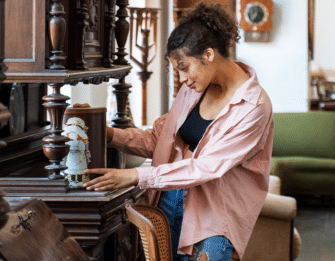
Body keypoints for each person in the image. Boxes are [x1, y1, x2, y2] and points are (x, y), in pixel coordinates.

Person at [83, 3, 274, 261]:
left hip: (214, 218)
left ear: (208, 55)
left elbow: (207, 167)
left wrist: (136, 175)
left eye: (183, 67)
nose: (182, 78)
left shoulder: (254, 106)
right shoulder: (193, 89)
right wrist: (109, 135)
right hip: (168, 201)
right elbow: (160, 140)